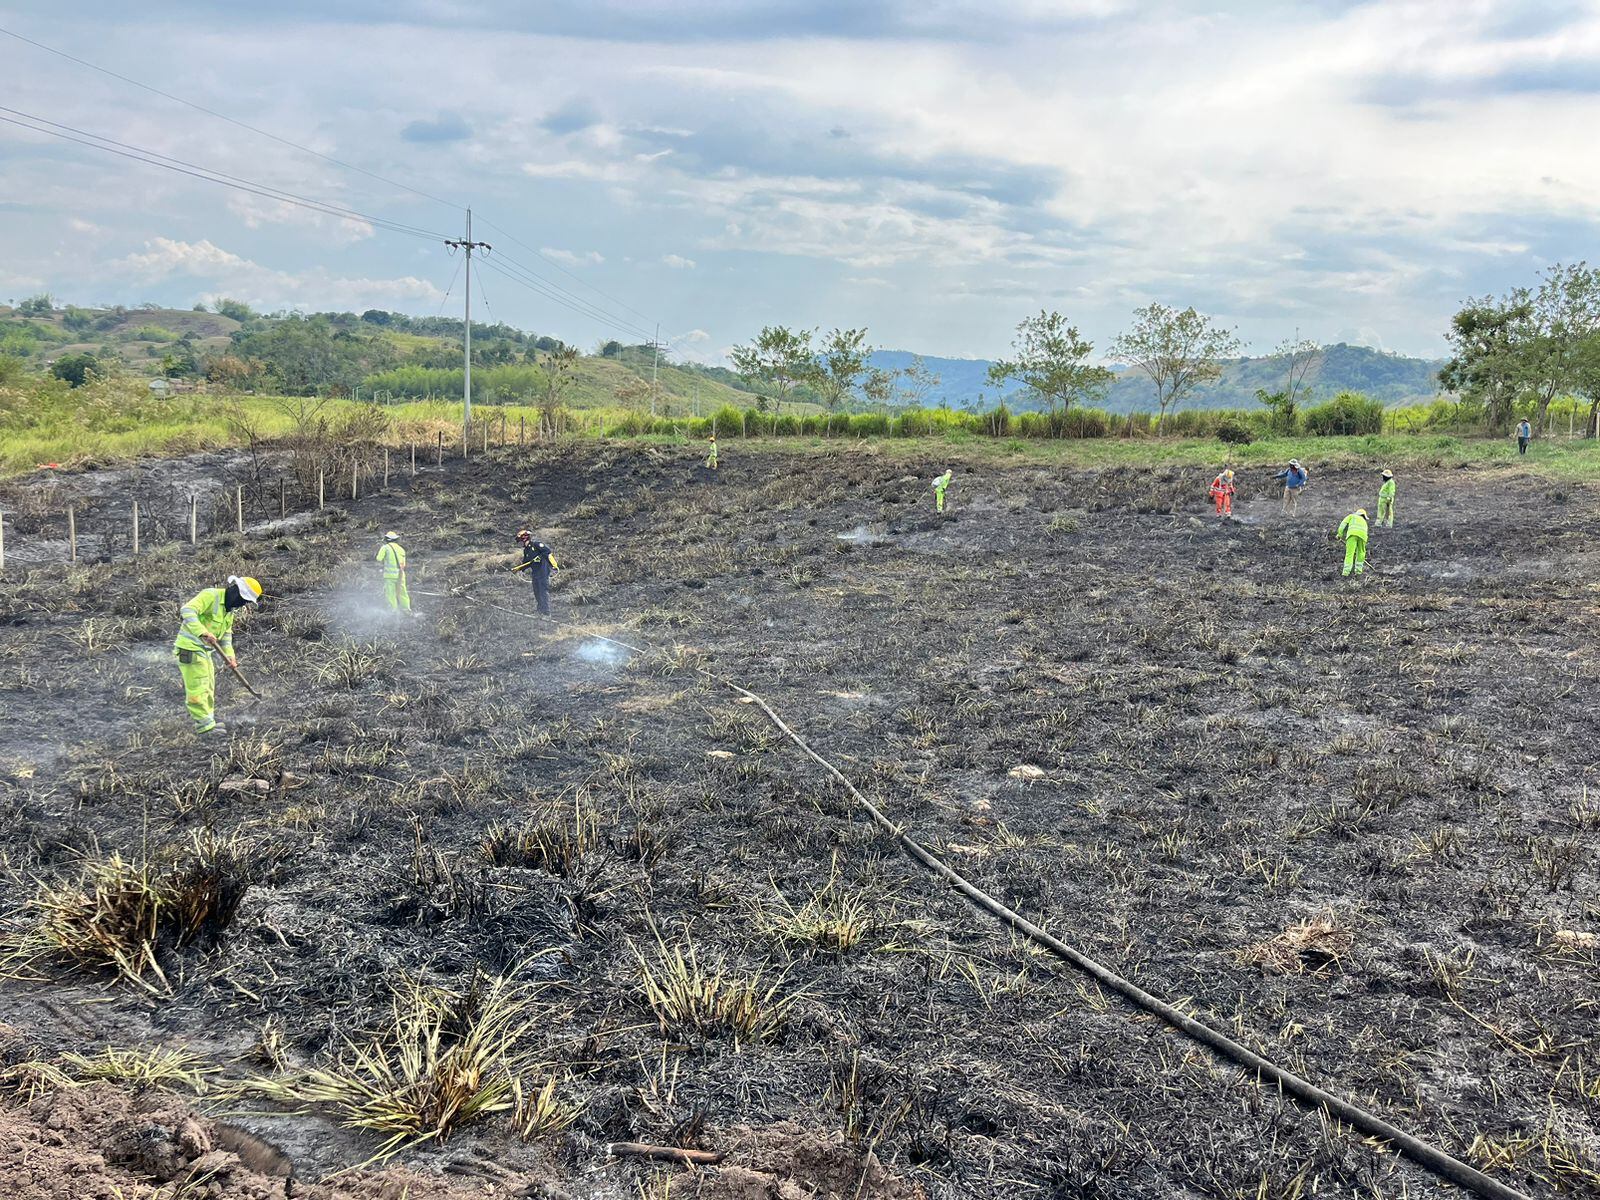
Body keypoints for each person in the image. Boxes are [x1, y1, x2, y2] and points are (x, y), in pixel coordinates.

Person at [173, 575, 262, 736]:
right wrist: (202, 632)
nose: (243, 604)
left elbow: (226, 634)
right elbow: (187, 610)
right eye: (243, 600)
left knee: (208, 686)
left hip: (204, 651)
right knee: (198, 687)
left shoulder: (229, 610)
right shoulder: (211, 595)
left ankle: (208, 721)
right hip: (190, 649)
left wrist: (230, 656)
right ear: (235, 591)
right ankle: (205, 727)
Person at [513, 529, 559, 616]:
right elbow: (526, 563)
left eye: (519, 541)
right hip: (535, 573)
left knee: (542, 591)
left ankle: (546, 611)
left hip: (543, 570)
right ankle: (540, 610)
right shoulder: (526, 550)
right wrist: (518, 569)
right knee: (536, 591)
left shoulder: (536, 545)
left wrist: (543, 559)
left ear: (524, 539)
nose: (519, 543)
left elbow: (547, 552)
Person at [375, 530, 412, 614]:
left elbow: (379, 558)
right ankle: (407, 610)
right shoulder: (401, 549)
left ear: (386, 539)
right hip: (401, 575)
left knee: (391, 594)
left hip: (389, 576)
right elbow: (403, 564)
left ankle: (393, 611)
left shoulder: (385, 547)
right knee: (403, 593)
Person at [1335, 508, 1369, 577]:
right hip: (1363, 537)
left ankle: (1346, 572)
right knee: (1361, 553)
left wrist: (1339, 535)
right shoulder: (1364, 522)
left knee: (1350, 554)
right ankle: (1358, 572)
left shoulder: (1351, 516)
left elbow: (1342, 525)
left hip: (1352, 535)